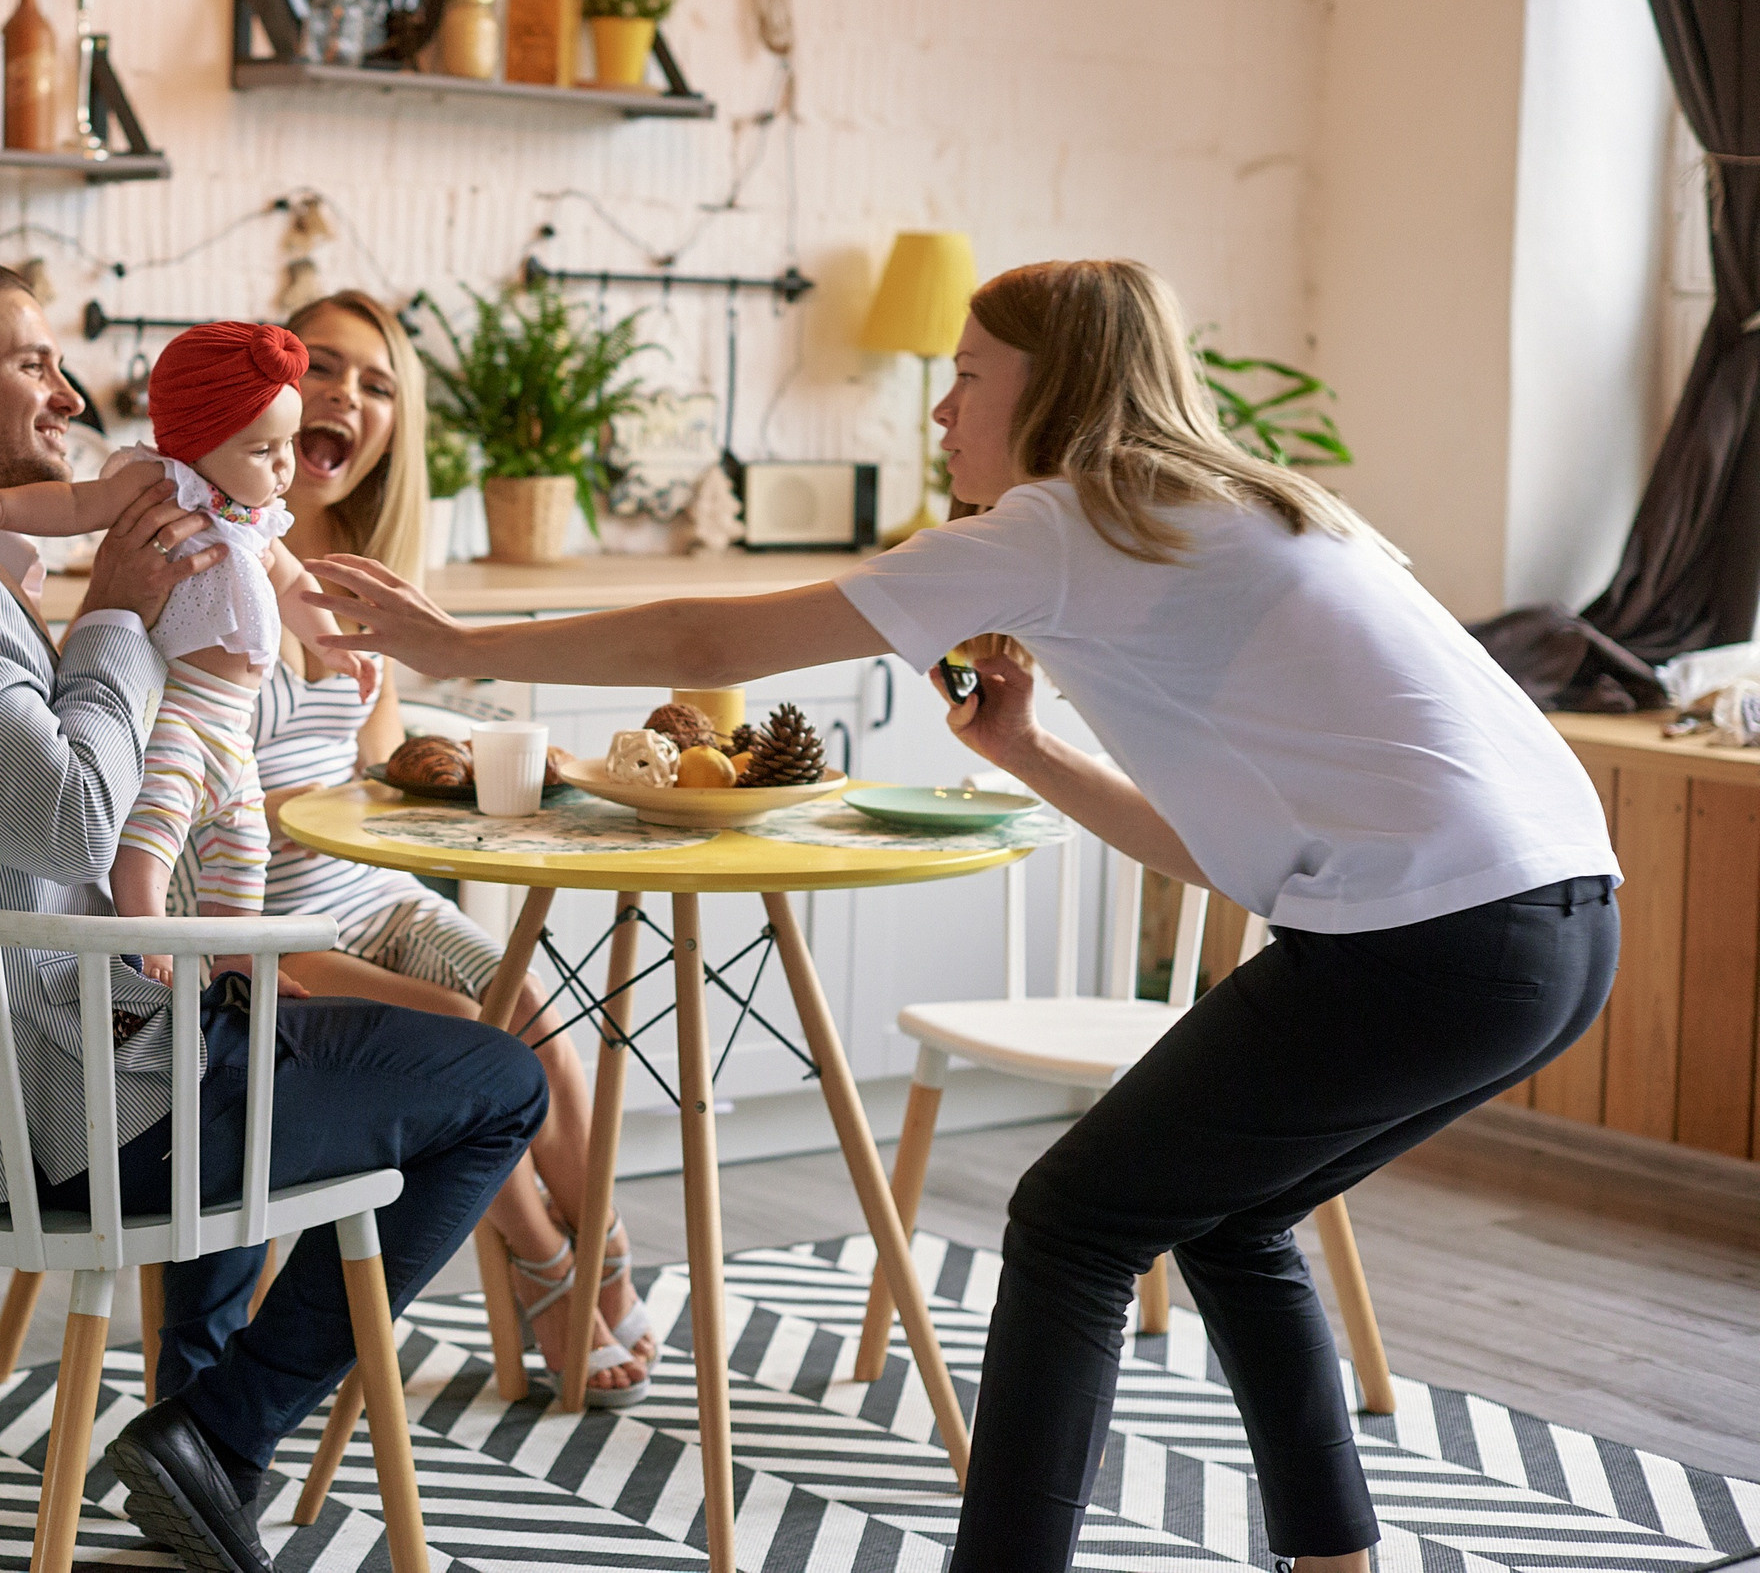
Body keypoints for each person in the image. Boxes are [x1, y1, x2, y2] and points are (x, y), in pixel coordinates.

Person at [299, 259, 1621, 1573]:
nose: (941, 415)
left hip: (1436, 936)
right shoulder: (1241, 513)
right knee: (1226, 1214)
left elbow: (711, 648)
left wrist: (460, 645)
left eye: (968, 379)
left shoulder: (1058, 524)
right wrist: (1027, 747)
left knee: (1071, 1220)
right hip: (1557, 926)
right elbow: (1237, 856)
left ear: (1054, 390)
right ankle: (1336, 1560)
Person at [0, 261, 548, 1573]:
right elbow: (82, 824)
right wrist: (113, 619)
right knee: (494, 1078)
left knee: (249, 1023)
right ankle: (227, 1428)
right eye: (28, 361)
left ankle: (199, 1457)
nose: (63, 382)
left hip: (71, 1073)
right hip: (68, 1116)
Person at [250, 289, 661, 1404]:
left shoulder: (370, 574)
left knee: (538, 1018)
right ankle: (549, 1273)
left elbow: (375, 772)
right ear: (269, 388)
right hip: (251, 930)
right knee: (483, 1044)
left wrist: (512, 770)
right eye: (322, 369)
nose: (347, 398)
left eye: (377, 385)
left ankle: (592, 1259)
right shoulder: (217, 558)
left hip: (365, 900)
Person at [0, 321, 375, 986]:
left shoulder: (256, 520)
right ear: (199, 441)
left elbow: (295, 587)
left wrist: (339, 643)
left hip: (235, 732)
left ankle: (236, 959)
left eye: (287, 444)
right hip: (174, 714)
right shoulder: (160, 485)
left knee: (244, 850)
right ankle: (145, 941)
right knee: (151, 836)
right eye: (263, 449)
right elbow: (73, 502)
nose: (284, 465)